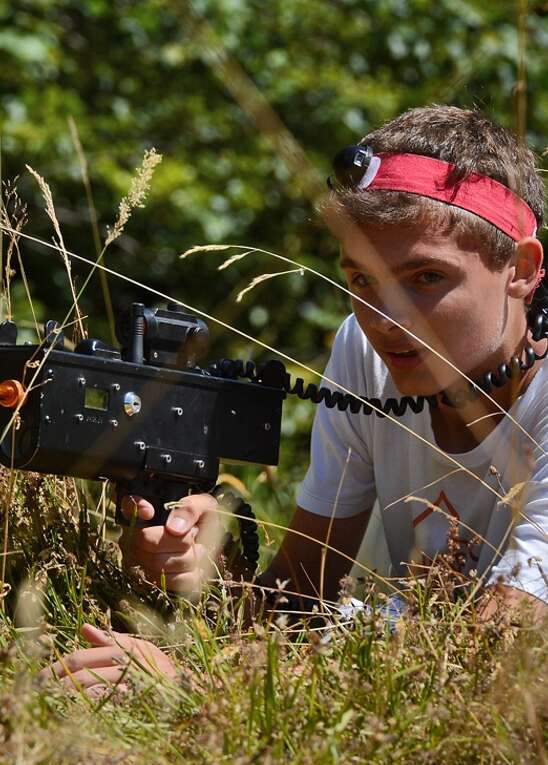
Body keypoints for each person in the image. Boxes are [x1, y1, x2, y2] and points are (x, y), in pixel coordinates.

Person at [46, 105, 547, 693]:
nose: (386, 319)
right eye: (361, 280)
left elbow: (501, 645)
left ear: (520, 268)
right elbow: (303, 592)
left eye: (426, 278)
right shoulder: (363, 349)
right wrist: (214, 570)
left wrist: (198, 682)